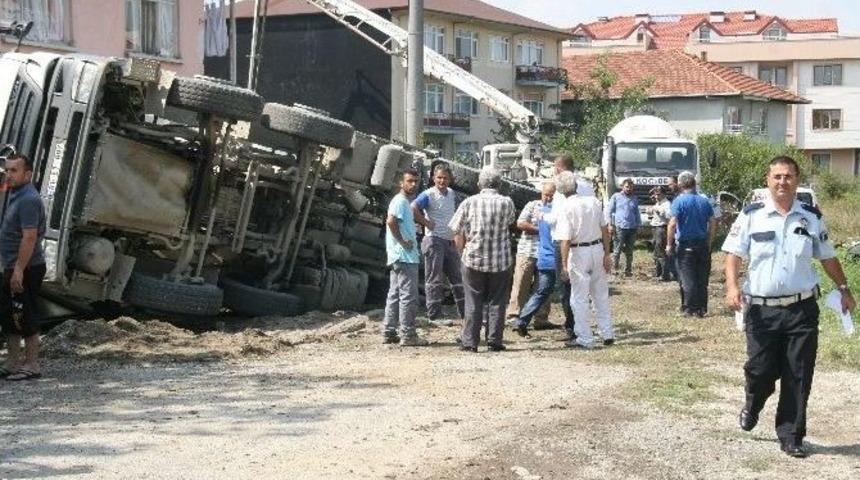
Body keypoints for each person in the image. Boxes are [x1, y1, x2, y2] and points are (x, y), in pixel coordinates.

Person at [723, 156, 855, 458]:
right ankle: (753, 402)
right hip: (761, 309)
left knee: (799, 373)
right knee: (760, 370)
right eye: (777, 177)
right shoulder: (751, 215)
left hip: (801, 309)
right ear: (768, 180)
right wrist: (732, 287)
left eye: (789, 177)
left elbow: (827, 256)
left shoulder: (811, 217)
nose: (783, 182)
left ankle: (791, 435)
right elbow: (733, 254)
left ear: (797, 180)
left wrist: (844, 289)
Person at [449, 166, 516, 352]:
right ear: (499, 184)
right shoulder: (507, 202)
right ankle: (494, 340)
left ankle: (470, 341)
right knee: (497, 301)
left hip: (473, 258)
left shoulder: (469, 202)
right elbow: (511, 222)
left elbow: (456, 228)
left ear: (480, 183)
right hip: (500, 260)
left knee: (473, 300)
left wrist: (462, 252)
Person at [1, 153, 47, 381]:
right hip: (11, 265)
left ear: (28, 174)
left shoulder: (29, 199)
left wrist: (19, 269)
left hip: (26, 267)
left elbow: (29, 238)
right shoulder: (12, 192)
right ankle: (11, 363)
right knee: (10, 315)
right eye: (7, 170)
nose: (8, 174)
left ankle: (32, 365)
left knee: (25, 314)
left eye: (14, 171)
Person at [556, 171, 614, 349]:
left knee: (579, 297)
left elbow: (565, 239)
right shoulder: (593, 201)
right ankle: (607, 332)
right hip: (596, 248)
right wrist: (607, 253)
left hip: (578, 251)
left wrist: (564, 265)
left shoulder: (566, 207)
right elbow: (605, 229)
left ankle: (585, 337)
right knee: (600, 294)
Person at [412, 163, 465, 323]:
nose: (442, 181)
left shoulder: (451, 193)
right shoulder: (428, 194)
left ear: (450, 179)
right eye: (439, 178)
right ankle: (434, 315)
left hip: (449, 241)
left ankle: (465, 313)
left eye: (445, 178)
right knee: (434, 278)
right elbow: (413, 207)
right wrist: (425, 223)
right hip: (434, 240)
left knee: (457, 278)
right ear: (434, 178)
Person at [382, 169, 428, 347]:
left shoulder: (404, 202)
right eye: (409, 181)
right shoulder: (400, 201)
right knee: (408, 296)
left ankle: (389, 331)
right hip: (405, 256)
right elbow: (391, 221)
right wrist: (402, 241)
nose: (413, 184)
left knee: (394, 294)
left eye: (416, 181)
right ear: (401, 183)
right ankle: (408, 335)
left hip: (398, 256)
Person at [666, 171, 715, 317]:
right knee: (701, 277)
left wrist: (669, 244)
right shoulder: (704, 201)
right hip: (702, 244)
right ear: (694, 184)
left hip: (685, 244)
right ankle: (701, 308)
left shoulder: (679, 201)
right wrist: (709, 241)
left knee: (687, 278)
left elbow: (672, 224)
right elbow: (713, 222)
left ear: (680, 184)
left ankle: (689, 308)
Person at [506, 183, 553, 330]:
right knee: (521, 284)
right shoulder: (532, 205)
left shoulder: (557, 209)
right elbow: (520, 223)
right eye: (546, 195)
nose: (549, 198)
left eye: (552, 195)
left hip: (546, 254)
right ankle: (513, 315)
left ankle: (541, 318)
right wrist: (540, 230)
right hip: (527, 251)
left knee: (544, 287)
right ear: (541, 194)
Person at [544, 154, 576, 336]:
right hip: (583, 243)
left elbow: (554, 218)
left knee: (565, 285)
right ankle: (581, 322)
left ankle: (571, 325)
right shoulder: (585, 186)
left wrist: (542, 216)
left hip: (562, 241)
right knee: (580, 287)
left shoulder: (559, 190)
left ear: (559, 168)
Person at [607, 178, 640, 276]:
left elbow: (636, 212)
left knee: (630, 251)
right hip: (620, 227)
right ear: (622, 186)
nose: (629, 189)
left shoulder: (634, 198)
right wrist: (610, 224)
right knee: (617, 250)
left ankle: (628, 270)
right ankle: (615, 269)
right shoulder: (616, 197)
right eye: (627, 187)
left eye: (630, 187)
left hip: (632, 228)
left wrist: (638, 224)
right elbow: (609, 211)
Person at [647, 186, 672, 281]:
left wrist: (658, 210)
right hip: (655, 228)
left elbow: (669, 216)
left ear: (663, 194)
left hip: (662, 229)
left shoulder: (667, 204)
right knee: (656, 251)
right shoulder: (658, 203)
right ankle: (657, 273)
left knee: (661, 252)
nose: (656, 196)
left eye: (658, 194)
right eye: (655, 194)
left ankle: (665, 275)